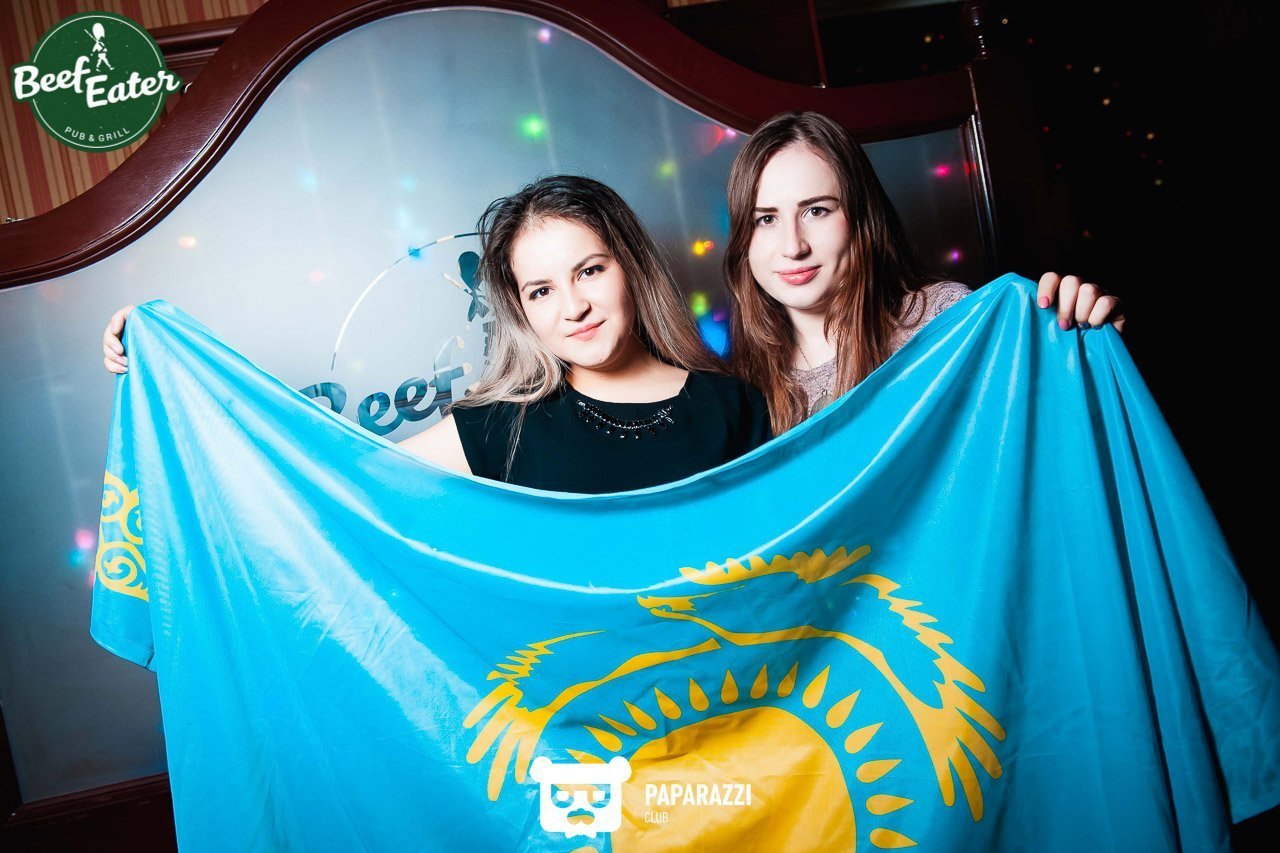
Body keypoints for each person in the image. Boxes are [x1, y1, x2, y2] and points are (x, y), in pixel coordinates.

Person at [102, 176, 772, 494]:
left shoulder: (734, 405)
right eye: (541, 290)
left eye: (589, 271)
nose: (573, 307)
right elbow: (335, 477)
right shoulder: (503, 425)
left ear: (630, 266)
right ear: (521, 309)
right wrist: (168, 364)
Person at [722, 110, 1126, 433]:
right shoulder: (736, 388)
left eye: (817, 211)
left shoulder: (944, 320)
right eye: (765, 219)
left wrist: (1085, 353)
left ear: (862, 220)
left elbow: (1045, 436)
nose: (793, 246)